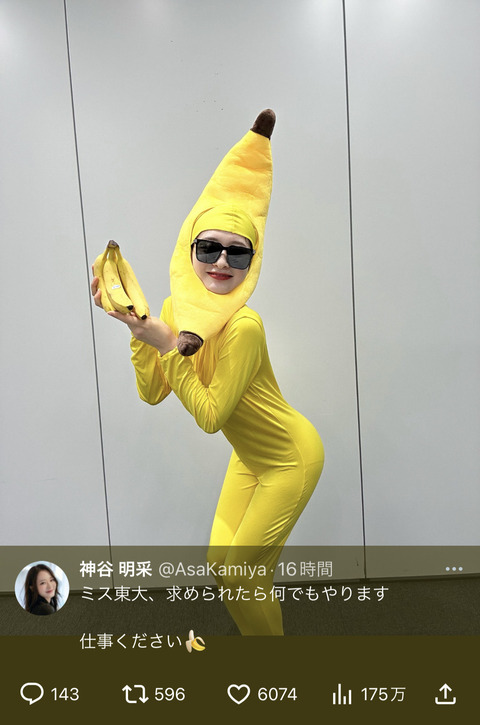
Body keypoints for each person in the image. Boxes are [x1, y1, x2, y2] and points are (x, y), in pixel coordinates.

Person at [91, 111, 324, 635]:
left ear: (251, 262)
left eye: (237, 253)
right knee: (224, 567)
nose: (221, 262)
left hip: (291, 459)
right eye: (209, 248)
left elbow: (213, 416)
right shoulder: (172, 311)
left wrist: (166, 345)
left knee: (242, 574)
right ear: (189, 250)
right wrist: (139, 331)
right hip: (251, 458)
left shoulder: (244, 326)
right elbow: (153, 393)